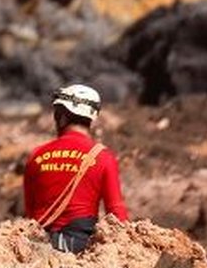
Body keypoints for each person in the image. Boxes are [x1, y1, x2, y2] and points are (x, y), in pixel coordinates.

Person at [23, 84, 128, 253]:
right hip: (79, 249)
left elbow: (30, 212)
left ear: (62, 117)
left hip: (36, 247)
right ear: (91, 119)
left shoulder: (36, 156)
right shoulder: (103, 157)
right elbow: (116, 213)